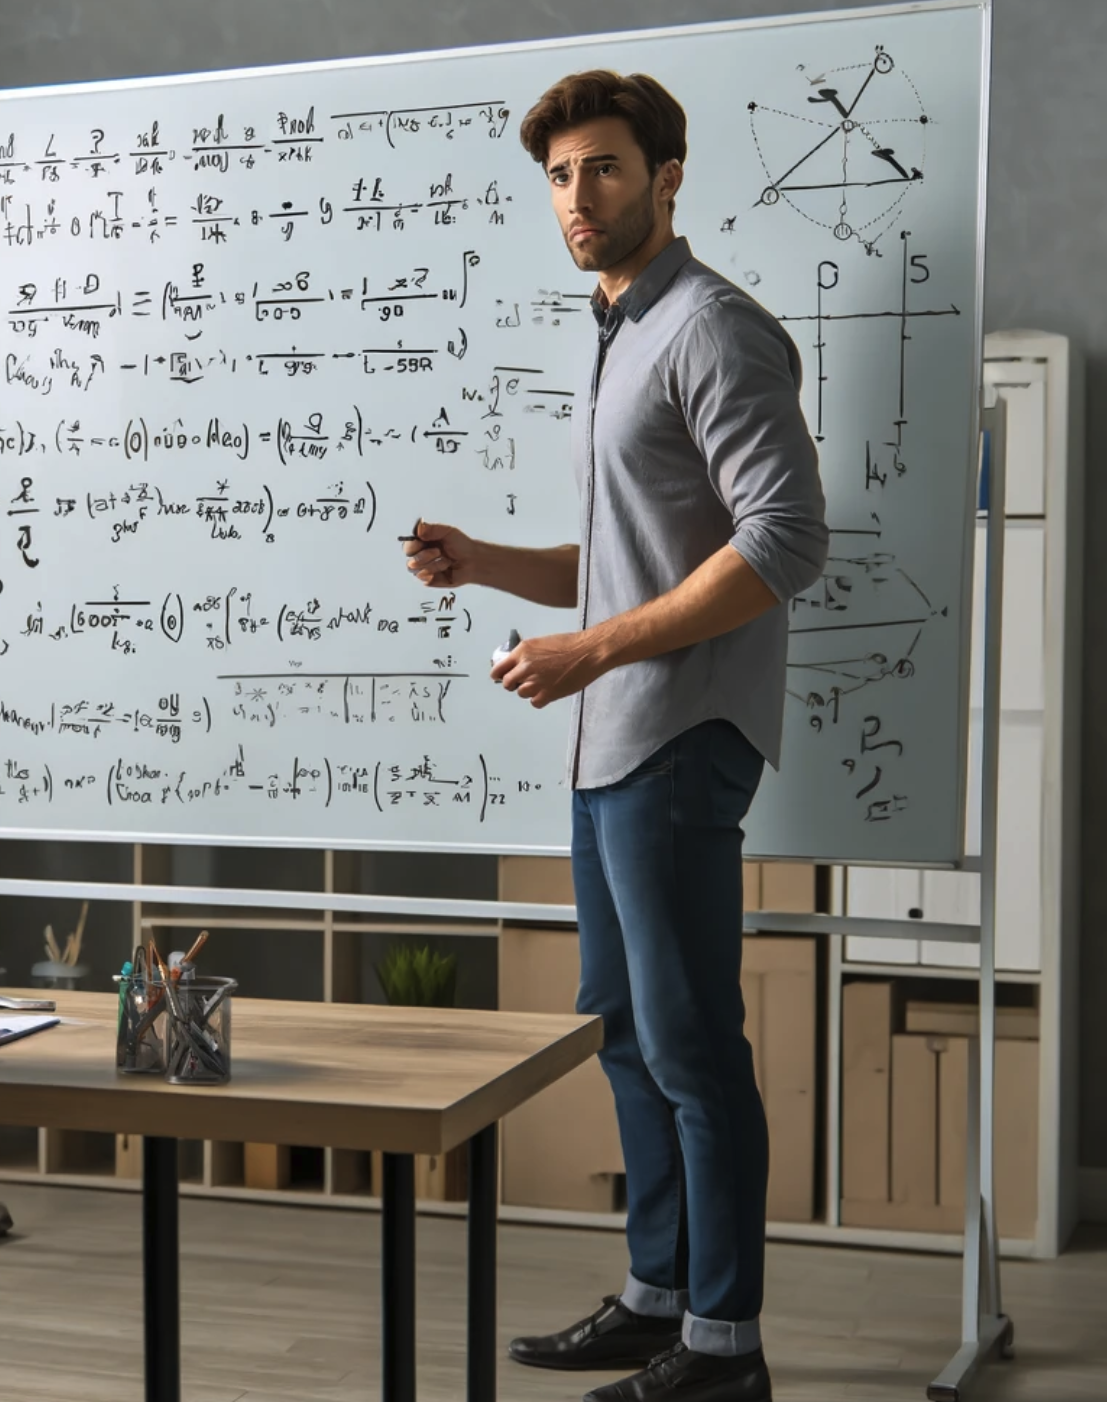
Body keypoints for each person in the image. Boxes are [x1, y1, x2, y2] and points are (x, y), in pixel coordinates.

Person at [405, 71, 825, 1402]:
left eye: (600, 168)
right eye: (557, 175)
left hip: (677, 731)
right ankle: (658, 1298)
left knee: (692, 1037)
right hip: (609, 740)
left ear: (665, 174)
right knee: (626, 1029)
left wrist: (589, 649)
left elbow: (781, 542)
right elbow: (631, 560)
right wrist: (488, 563)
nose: (574, 196)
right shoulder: (620, 329)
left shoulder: (709, 326)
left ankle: (724, 1344)